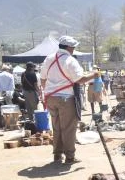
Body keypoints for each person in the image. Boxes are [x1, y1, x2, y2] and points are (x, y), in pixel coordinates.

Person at [40, 35, 94, 164]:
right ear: (69, 47)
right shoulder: (70, 60)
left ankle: (57, 155)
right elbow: (80, 80)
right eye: (73, 47)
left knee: (56, 127)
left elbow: (42, 79)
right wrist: (94, 75)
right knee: (69, 128)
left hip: (51, 98)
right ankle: (70, 157)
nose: (74, 49)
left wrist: (50, 90)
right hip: (66, 98)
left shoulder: (49, 58)